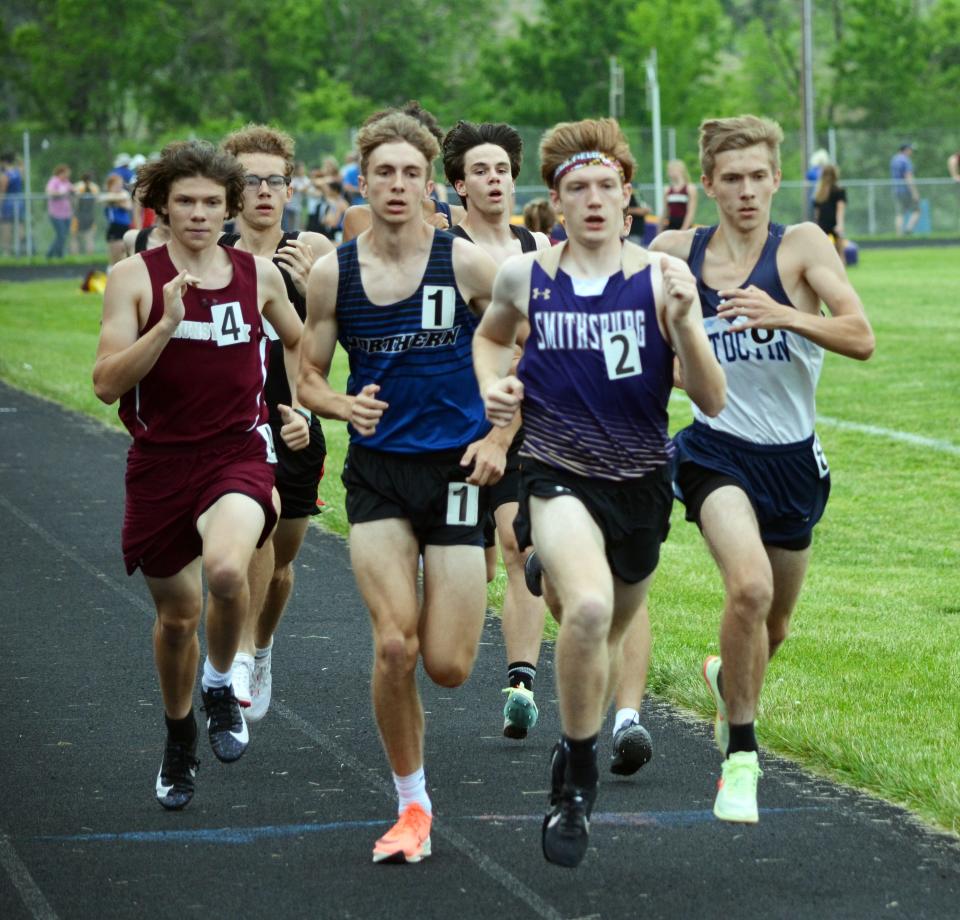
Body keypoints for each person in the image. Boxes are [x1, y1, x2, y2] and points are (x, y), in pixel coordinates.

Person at [473, 117, 726, 867]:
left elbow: (711, 400)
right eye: (575, 188)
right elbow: (490, 337)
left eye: (605, 188)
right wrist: (498, 388)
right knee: (584, 609)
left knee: (610, 622)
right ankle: (576, 778)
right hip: (555, 470)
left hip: (642, 482)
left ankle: (579, 730)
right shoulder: (526, 276)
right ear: (553, 201)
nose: (591, 200)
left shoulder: (662, 279)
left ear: (628, 200)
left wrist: (684, 327)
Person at [651, 114, 874, 825]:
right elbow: (643, 346)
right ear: (708, 183)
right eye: (732, 179)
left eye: (759, 178)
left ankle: (728, 679)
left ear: (778, 180)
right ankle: (741, 757)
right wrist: (678, 373)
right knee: (746, 589)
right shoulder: (672, 252)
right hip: (717, 452)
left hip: (794, 464)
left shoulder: (801, 245)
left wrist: (786, 315)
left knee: (769, 630)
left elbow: (860, 337)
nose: (747, 191)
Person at [298, 110, 502, 865]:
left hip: (454, 474)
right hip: (378, 476)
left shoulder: (468, 263)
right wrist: (338, 404)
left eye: (410, 172)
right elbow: (308, 373)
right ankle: (411, 803)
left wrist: (498, 435)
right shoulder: (334, 273)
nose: (395, 184)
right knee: (394, 644)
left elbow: (522, 347)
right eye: (382, 172)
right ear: (362, 179)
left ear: (427, 182)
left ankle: (416, 785)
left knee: (447, 666)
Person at [91, 140, 305, 811]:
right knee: (178, 617)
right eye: (186, 200)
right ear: (161, 206)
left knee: (225, 572)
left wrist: (293, 405)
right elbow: (104, 385)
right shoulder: (135, 279)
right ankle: (179, 733)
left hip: (237, 453)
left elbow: (296, 338)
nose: (200, 212)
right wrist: (165, 328)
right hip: (159, 464)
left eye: (213, 201)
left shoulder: (258, 275)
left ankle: (221, 682)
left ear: (231, 206)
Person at [441, 119, 551, 741]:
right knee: (473, 566)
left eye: (503, 170)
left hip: (524, 421)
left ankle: (521, 686)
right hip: (453, 423)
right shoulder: (445, 248)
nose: (494, 179)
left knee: (516, 547)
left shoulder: (535, 246)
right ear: (459, 184)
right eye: (480, 170)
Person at [220, 123, 333, 720]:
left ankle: (261, 645)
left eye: (275, 181)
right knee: (252, 539)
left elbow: (339, 339)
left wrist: (319, 281)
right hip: (235, 427)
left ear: (291, 189)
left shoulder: (312, 249)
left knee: (282, 562)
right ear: (231, 188)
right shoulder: (212, 255)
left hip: (297, 421)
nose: (263, 191)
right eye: (250, 180)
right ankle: (237, 658)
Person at [341, 101, 465, 242]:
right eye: (385, 172)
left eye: (411, 172)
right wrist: (423, 234)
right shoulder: (358, 217)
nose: (398, 183)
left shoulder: (459, 217)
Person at [813, 164, 847, 261]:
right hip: (834, 223)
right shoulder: (839, 190)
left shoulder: (819, 192)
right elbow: (840, 208)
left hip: (822, 224)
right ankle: (841, 271)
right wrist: (840, 225)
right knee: (840, 251)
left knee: (821, 252)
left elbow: (817, 212)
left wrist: (816, 225)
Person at [101, 173, 133, 264]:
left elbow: (128, 206)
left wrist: (117, 202)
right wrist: (115, 200)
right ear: (110, 186)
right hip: (115, 227)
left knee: (126, 255)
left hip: (125, 226)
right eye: (116, 185)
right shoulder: (108, 196)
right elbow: (103, 199)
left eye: (120, 185)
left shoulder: (123, 195)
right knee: (115, 257)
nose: (119, 187)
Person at [45, 164, 74, 259]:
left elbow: (72, 189)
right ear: (61, 172)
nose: (67, 175)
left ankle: (59, 255)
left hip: (66, 213)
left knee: (64, 235)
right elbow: (49, 192)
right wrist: (61, 193)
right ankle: (50, 253)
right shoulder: (54, 181)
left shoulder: (66, 182)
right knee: (61, 234)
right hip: (56, 214)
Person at [659, 159, 697, 232]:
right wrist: (659, 230)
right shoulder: (667, 189)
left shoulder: (690, 188)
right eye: (669, 170)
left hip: (685, 227)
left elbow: (690, 213)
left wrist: (683, 230)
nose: (669, 172)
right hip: (671, 225)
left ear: (680, 170)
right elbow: (665, 212)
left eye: (672, 170)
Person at [890, 142, 920, 236]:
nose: (911, 152)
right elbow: (908, 176)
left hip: (896, 189)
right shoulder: (906, 160)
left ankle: (899, 235)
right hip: (906, 190)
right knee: (917, 210)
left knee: (899, 213)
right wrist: (915, 192)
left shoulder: (894, 159)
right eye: (910, 150)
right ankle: (909, 229)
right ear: (906, 150)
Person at [72, 172, 100, 256]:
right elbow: (96, 200)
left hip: (79, 214)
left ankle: (75, 256)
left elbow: (74, 201)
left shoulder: (77, 186)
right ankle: (90, 255)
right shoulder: (94, 187)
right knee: (89, 237)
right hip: (89, 214)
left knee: (75, 237)